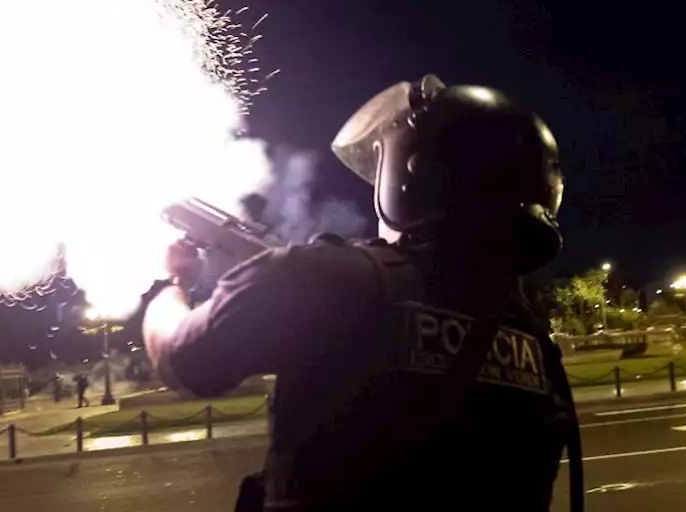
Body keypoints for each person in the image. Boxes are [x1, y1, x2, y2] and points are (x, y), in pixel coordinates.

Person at [144, 75, 583, 512]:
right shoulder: (536, 343)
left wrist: (172, 283)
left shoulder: (325, 281)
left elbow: (180, 359)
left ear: (408, 174)